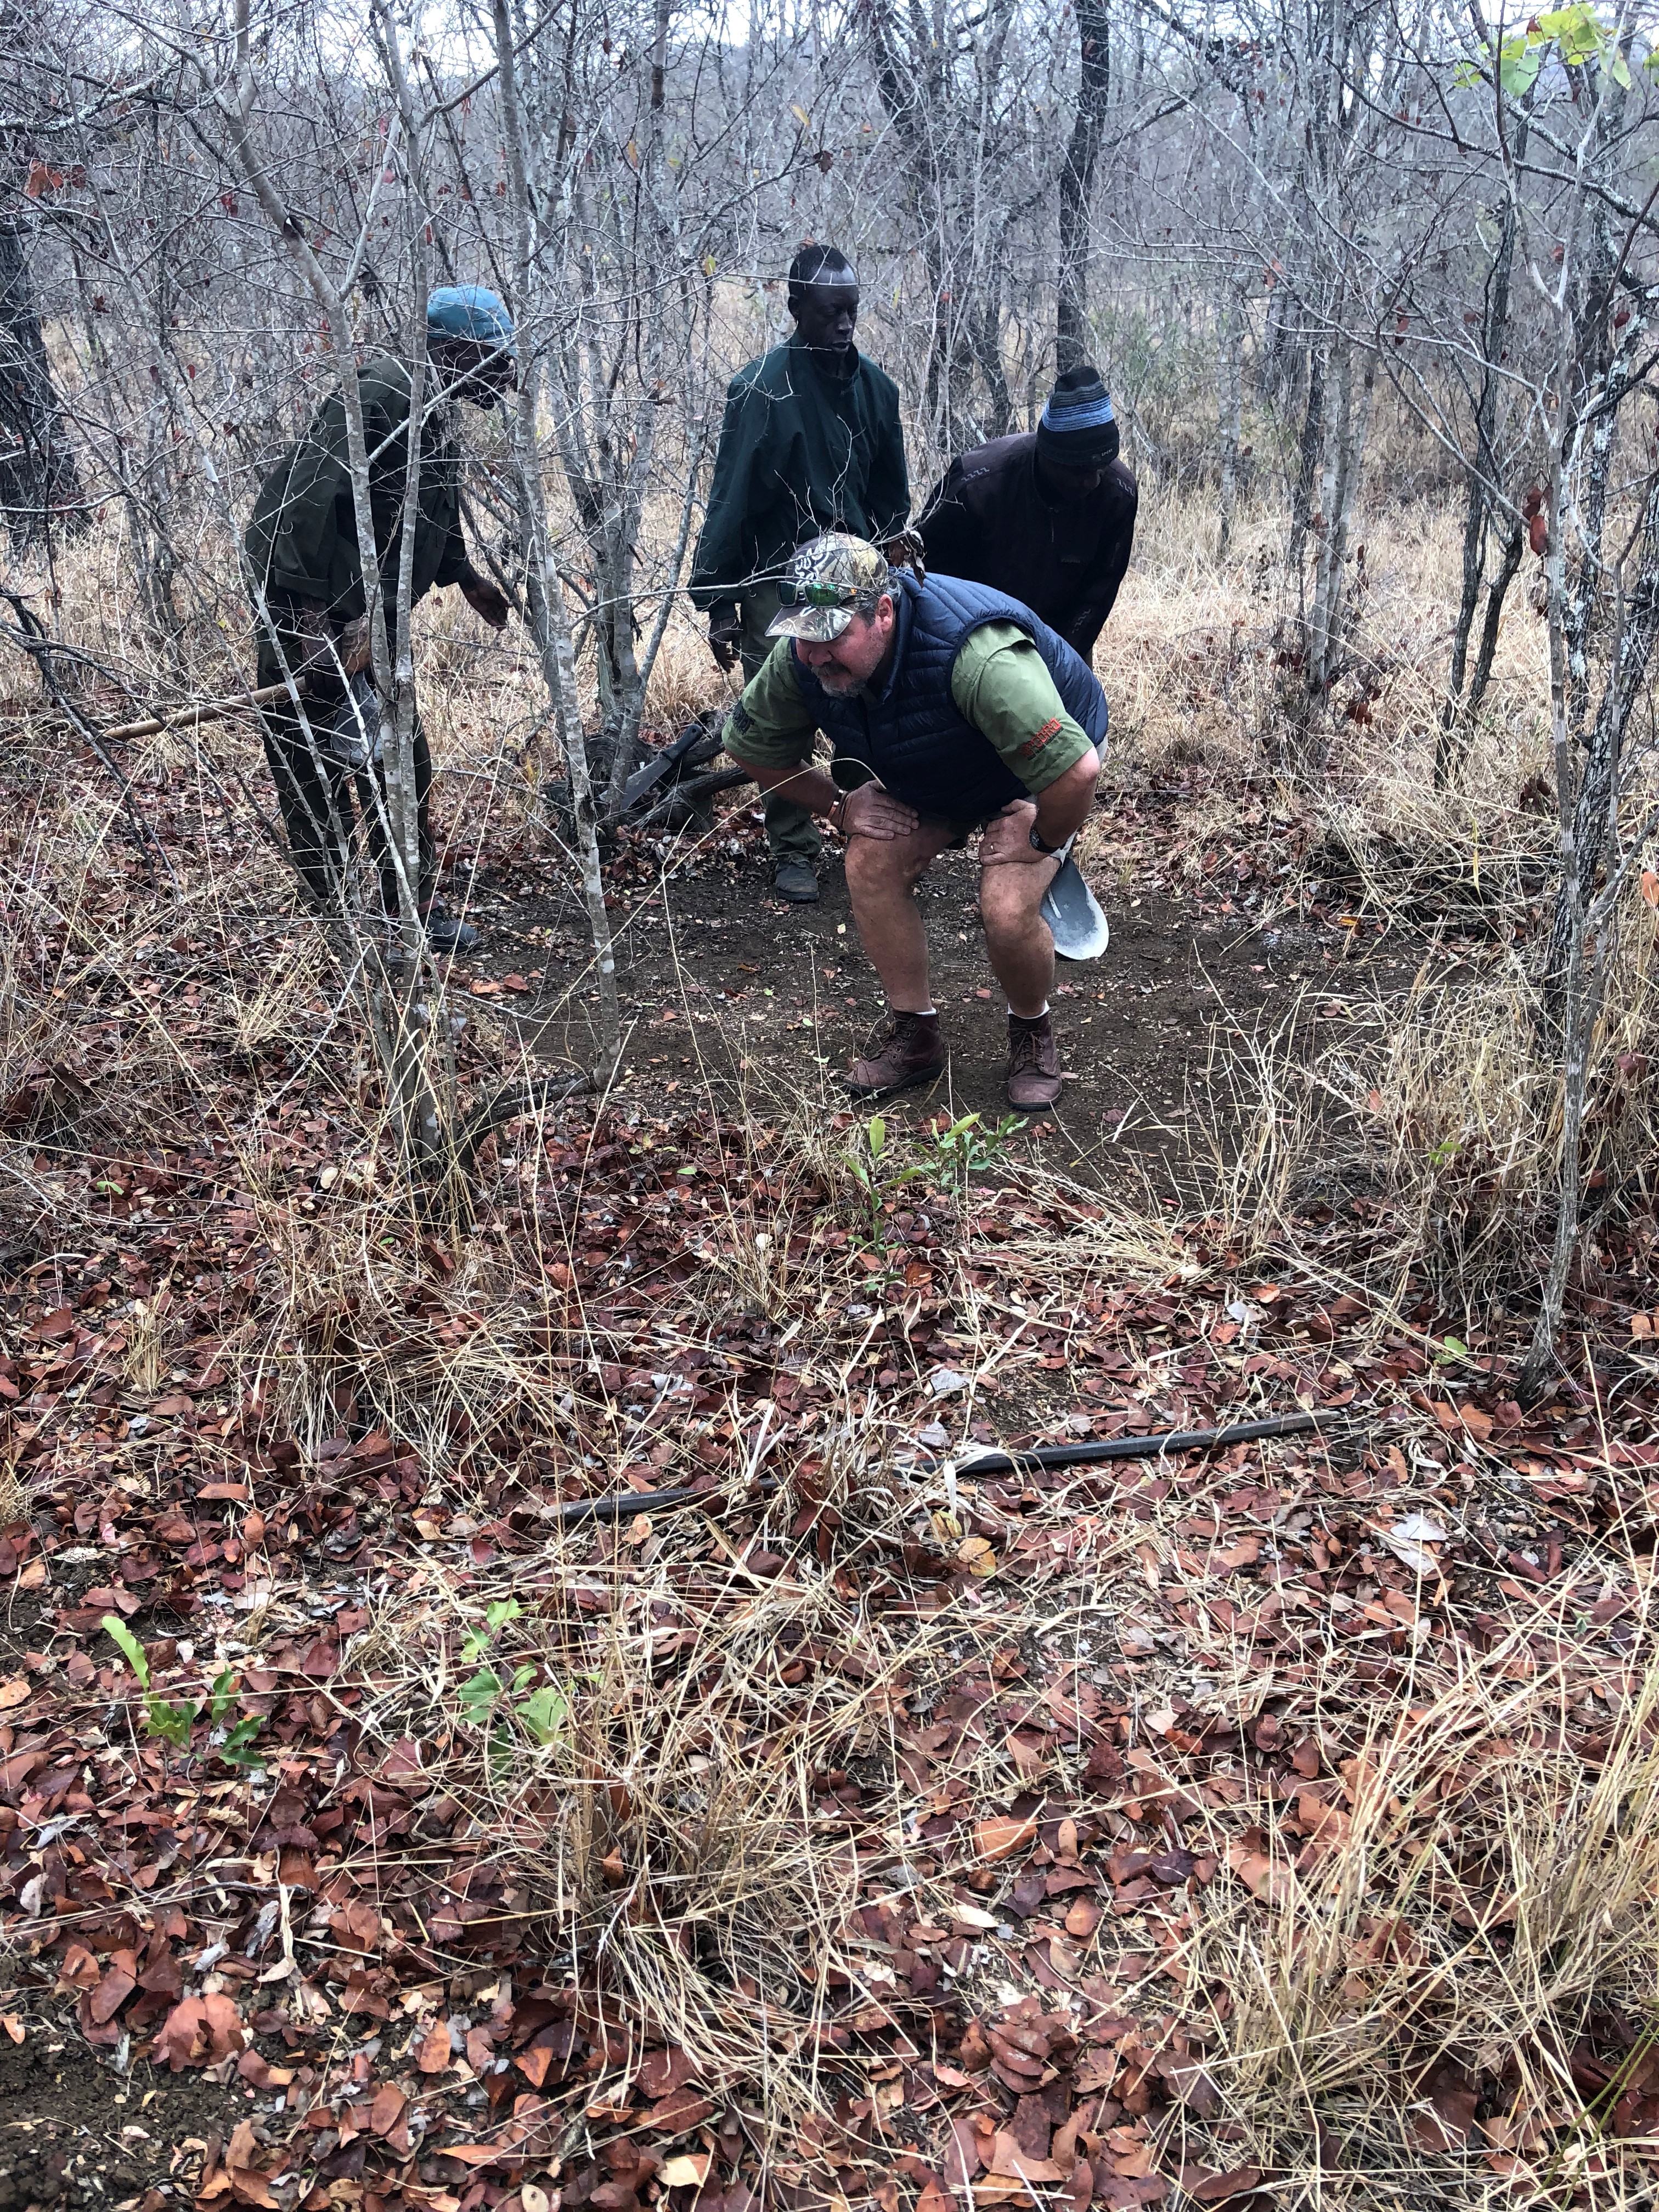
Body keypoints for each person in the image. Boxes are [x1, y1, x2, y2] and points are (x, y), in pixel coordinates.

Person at [719, 534, 1108, 1108]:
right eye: (803, 637)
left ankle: (1032, 1032)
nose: (815, 654)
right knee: (869, 860)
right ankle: (916, 1035)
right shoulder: (803, 657)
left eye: (830, 636)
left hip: (1029, 768)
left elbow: (1075, 770)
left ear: (882, 612)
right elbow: (749, 746)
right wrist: (838, 805)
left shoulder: (978, 656)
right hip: (930, 763)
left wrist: (1041, 840)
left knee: (1005, 905)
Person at [244, 285, 516, 953]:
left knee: (402, 761)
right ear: (453, 350)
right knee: (315, 769)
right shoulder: (386, 389)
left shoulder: (437, 409)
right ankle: (337, 927)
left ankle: (409, 911)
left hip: (371, 621)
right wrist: (313, 623)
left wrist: (464, 575)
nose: (506, 376)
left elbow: (429, 506)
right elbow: (301, 501)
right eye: (495, 359)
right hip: (312, 615)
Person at [689, 244, 910, 906]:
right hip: (774, 576)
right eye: (829, 312)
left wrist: (895, 570)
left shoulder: (878, 390)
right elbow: (731, 497)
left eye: (852, 312)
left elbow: (892, 502)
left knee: (868, 699)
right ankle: (793, 847)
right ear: (795, 310)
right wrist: (719, 599)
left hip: (856, 572)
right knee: (779, 711)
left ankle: (874, 832)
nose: (844, 325)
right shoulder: (759, 388)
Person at [917, 363, 1136, 664]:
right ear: (1047, 456)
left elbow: (1097, 595)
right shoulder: (976, 485)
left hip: (1062, 643)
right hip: (973, 642)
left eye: (1101, 467)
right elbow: (927, 580)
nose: (1093, 481)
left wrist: (1059, 663)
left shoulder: (1117, 494)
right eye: (1080, 471)